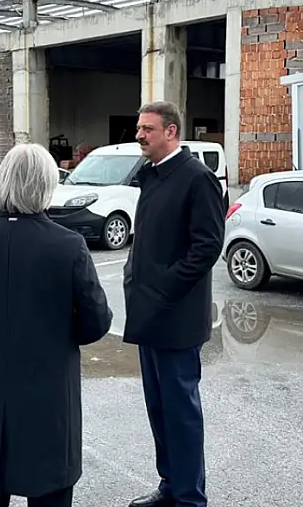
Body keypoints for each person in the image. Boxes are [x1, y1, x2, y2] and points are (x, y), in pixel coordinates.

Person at [0, 143, 113, 507]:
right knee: (49, 488)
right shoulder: (68, 246)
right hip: (48, 395)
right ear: (47, 186)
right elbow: (95, 322)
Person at [123, 101, 225, 507]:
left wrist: (164, 287)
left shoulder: (197, 178)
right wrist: (134, 277)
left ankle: (189, 498)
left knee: (181, 413)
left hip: (177, 317)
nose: (139, 135)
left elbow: (208, 247)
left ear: (171, 131)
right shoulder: (152, 175)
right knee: (159, 410)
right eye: (139, 128)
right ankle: (170, 486)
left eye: (147, 129)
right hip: (149, 314)